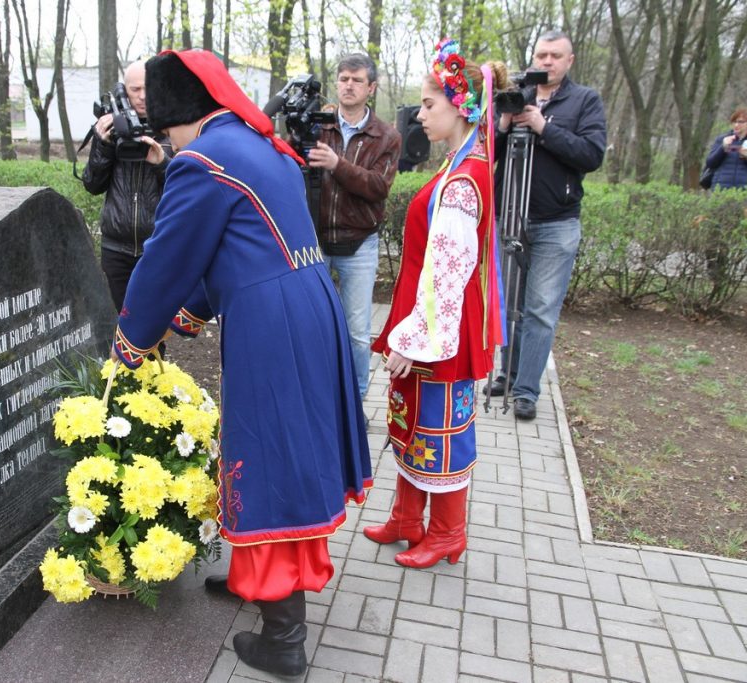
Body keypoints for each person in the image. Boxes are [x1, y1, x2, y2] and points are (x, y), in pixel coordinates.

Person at [112, 49, 372, 678]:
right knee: (269, 445)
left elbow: (167, 259)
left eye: (167, 130)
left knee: (273, 452)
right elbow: (235, 243)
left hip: (274, 322)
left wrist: (129, 341)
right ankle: (256, 574)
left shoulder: (202, 161)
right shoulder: (258, 144)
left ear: (184, 118)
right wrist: (191, 315)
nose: (167, 142)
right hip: (302, 303)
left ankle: (284, 637)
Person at [366, 39, 506, 569]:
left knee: (441, 428)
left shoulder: (465, 179)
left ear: (461, 105)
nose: (419, 115)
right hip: (428, 324)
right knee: (414, 421)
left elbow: (447, 275)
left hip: (439, 333)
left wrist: (415, 342)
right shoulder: (459, 165)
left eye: (429, 104)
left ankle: (448, 532)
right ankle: (407, 516)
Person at [486, 30, 606, 420]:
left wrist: (544, 127)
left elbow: (591, 154)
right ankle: (506, 372)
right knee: (509, 305)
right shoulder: (515, 93)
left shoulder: (585, 100)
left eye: (555, 56)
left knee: (538, 309)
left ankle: (526, 390)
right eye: (541, 55)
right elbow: (486, 154)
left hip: (556, 223)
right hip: (510, 214)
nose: (547, 62)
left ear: (569, 60)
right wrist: (504, 122)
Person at [308, 53, 401, 398]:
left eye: (357, 79)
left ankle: (357, 398)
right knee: (312, 325)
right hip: (314, 241)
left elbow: (378, 187)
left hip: (359, 243)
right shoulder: (318, 125)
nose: (348, 85)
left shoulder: (386, 136)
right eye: (343, 78)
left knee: (357, 331)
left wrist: (337, 164)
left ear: (371, 88)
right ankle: (319, 398)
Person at [82, 60, 172, 312]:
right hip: (115, 247)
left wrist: (161, 162)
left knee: (151, 324)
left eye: (148, 88)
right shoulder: (110, 128)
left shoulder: (172, 130)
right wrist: (103, 144)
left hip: (156, 246)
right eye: (135, 90)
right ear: (124, 90)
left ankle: (155, 355)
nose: (142, 96)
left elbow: (183, 190)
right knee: (116, 320)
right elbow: (92, 185)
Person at [703, 108, 747, 190]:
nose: (736, 125)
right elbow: (710, 163)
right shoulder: (722, 139)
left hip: (743, 190)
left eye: (741, 122)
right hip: (720, 189)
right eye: (734, 122)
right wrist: (723, 147)